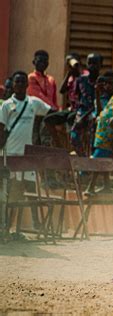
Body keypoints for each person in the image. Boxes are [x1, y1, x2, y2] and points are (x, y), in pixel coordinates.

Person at [0, 71, 54, 229]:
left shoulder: (33, 103)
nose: (20, 85)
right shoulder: (6, 105)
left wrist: (68, 114)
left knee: (30, 187)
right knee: (11, 190)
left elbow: (51, 112)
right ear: (14, 85)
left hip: (26, 155)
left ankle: (37, 224)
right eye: (17, 82)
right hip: (10, 154)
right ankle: (7, 226)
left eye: (23, 82)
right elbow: (1, 130)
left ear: (26, 85)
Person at [71, 53, 103, 156]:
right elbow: (77, 97)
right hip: (82, 111)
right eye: (90, 63)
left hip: (96, 112)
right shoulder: (81, 80)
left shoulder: (103, 82)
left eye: (95, 63)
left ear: (100, 65)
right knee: (74, 136)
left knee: (92, 139)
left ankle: (90, 162)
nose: (92, 66)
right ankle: (83, 159)